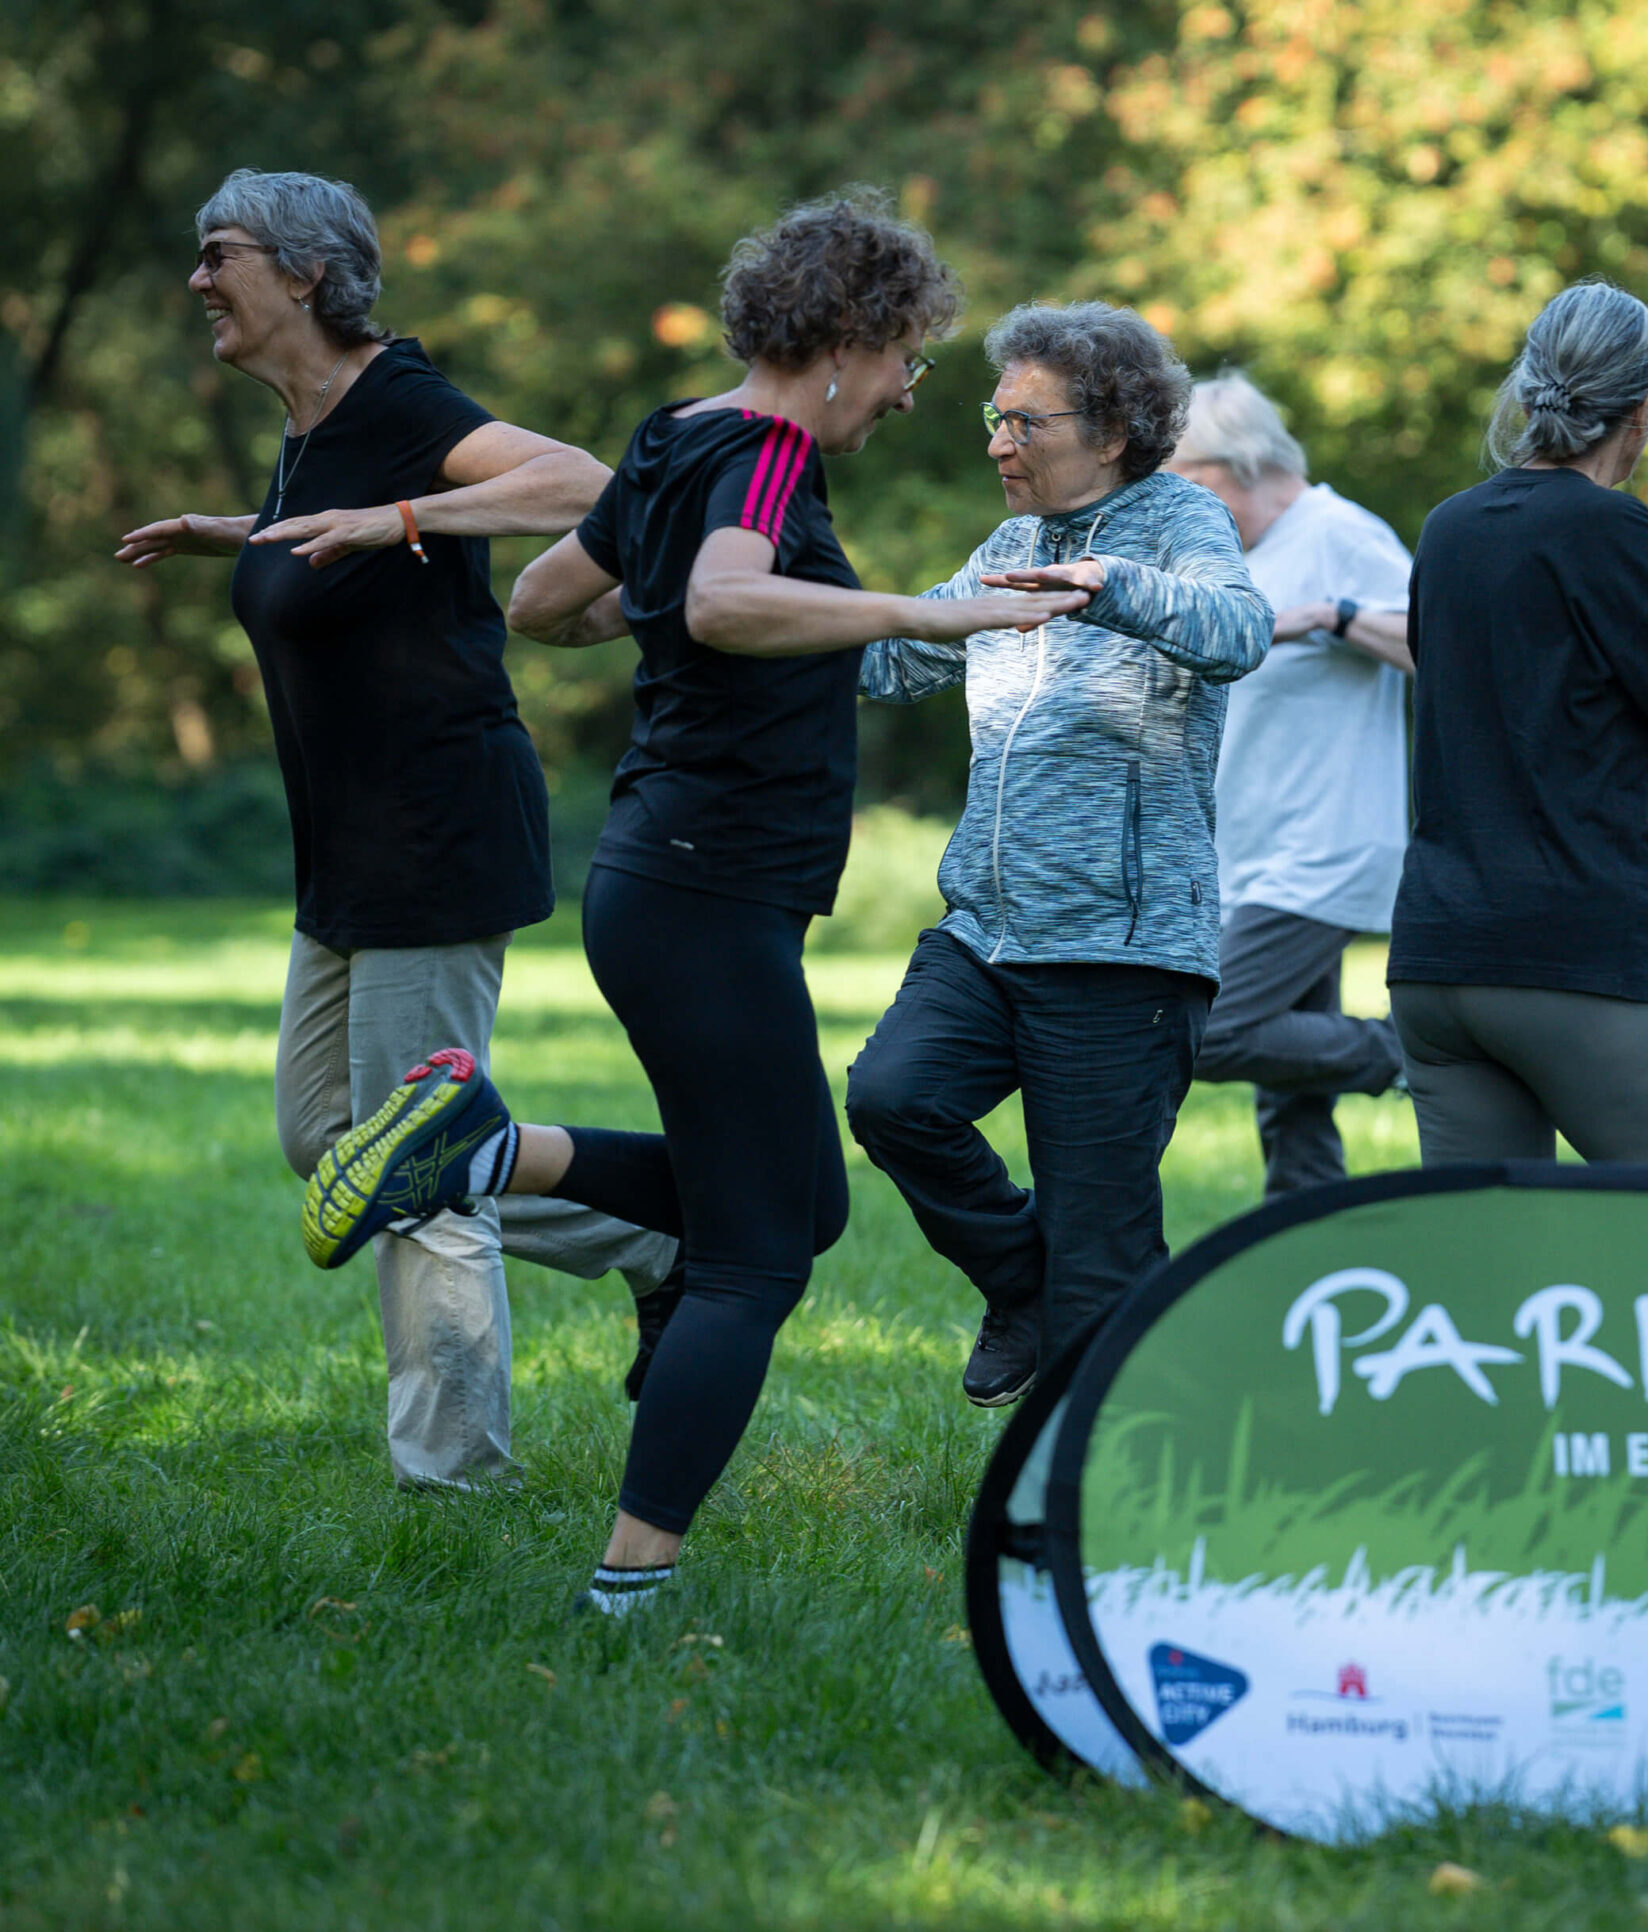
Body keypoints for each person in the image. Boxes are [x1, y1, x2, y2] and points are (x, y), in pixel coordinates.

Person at [297, 193, 1084, 1613]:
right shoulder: (770, 451)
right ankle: (630, 1582)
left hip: (662, 880)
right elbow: (724, 602)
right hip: (707, 889)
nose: (914, 391)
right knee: (756, 1256)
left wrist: (647, 601)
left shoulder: (677, 435)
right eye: (909, 355)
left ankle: (488, 1150)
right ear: (844, 340)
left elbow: (546, 599)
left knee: (796, 1205)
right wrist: (931, 610)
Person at [114, 168, 677, 1491]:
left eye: (220, 255)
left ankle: (452, 1478)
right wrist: (240, 534)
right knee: (326, 1136)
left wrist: (405, 513)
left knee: (408, 1160)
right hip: (353, 849)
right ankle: (658, 1236)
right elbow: (334, 550)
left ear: (307, 274)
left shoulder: (404, 404)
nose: (198, 280)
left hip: (437, 828)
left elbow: (589, 484)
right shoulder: (313, 426)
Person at [843, 303, 1273, 1409]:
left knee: (1106, 1262)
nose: (996, 443)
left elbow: (1239, 632)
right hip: (986, 931)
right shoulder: (1008, 545)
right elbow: (895, 661)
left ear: (1114, 427)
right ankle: (1018, 1282)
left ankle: (1103, 1496)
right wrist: (757, 610)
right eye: (995, 418)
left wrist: (1110, 586)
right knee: (895, 1095)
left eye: (1020, 423)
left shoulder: (1179, 519)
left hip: (1119, 949)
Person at [1387, 281, 1648, 1167]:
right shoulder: (1609, 530)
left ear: (1527, 393)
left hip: (1436, 959)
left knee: (1493, 1275)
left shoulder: (1448, 528)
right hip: (1575, 953)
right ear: (1647, 408)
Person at [1169, 375, 1411, 1196]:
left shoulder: (1339, 533)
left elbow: (1441, 641)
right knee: (1291, 1089)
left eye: (1187, 481)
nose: (1177, 503)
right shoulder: (1227, 558)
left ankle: (1414, 1053)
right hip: (1249, 850)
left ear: (1241, 460)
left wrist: (1333, 616)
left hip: (1325, 847)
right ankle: (1305, 1241)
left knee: (1202, 1033)